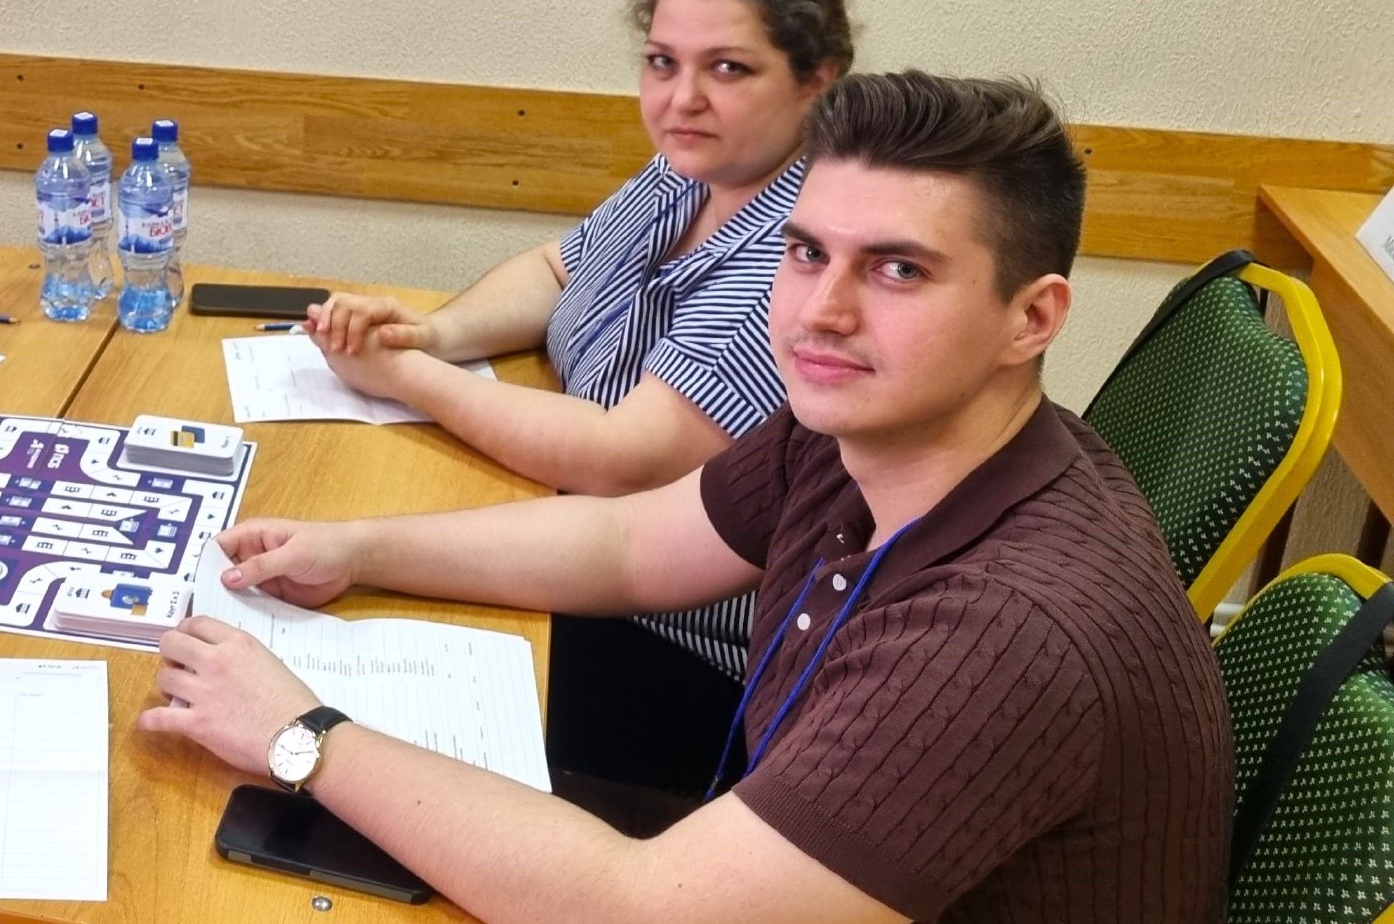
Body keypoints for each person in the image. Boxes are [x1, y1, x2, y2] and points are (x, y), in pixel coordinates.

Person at [145, 72, 1231, 923]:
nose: (822, 311)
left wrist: (299, 734)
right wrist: (358, 547)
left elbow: (636, 910)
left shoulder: (1001, 636)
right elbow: (627, 542)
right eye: (806, 252)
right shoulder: (869, 430)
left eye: (898, 270)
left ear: (1031, 319)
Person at [310, 0, 853, 793]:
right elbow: (556, 269)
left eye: (728, 69)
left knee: (349, 675)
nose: (682, 98)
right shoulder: (689, 172)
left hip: (676, 650)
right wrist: (432, 336)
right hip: (572, 545)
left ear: (816, 79)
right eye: (662, 62)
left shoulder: (798, 255)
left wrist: (404, 375)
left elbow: (619, 457)